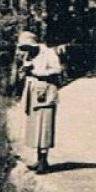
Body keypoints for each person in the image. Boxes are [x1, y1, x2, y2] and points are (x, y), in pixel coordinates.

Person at [18, 33, 64, 174]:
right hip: (33, 93)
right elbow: (25, 72)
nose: (27, 50)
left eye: (29, 47)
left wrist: (39, 73)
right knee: (34, 127)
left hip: (46, 93)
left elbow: (57, 69)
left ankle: (43, 161)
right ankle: (38, 159)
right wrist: (24, 70)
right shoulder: (29, 55)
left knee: (44, 126)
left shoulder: (48, 53)